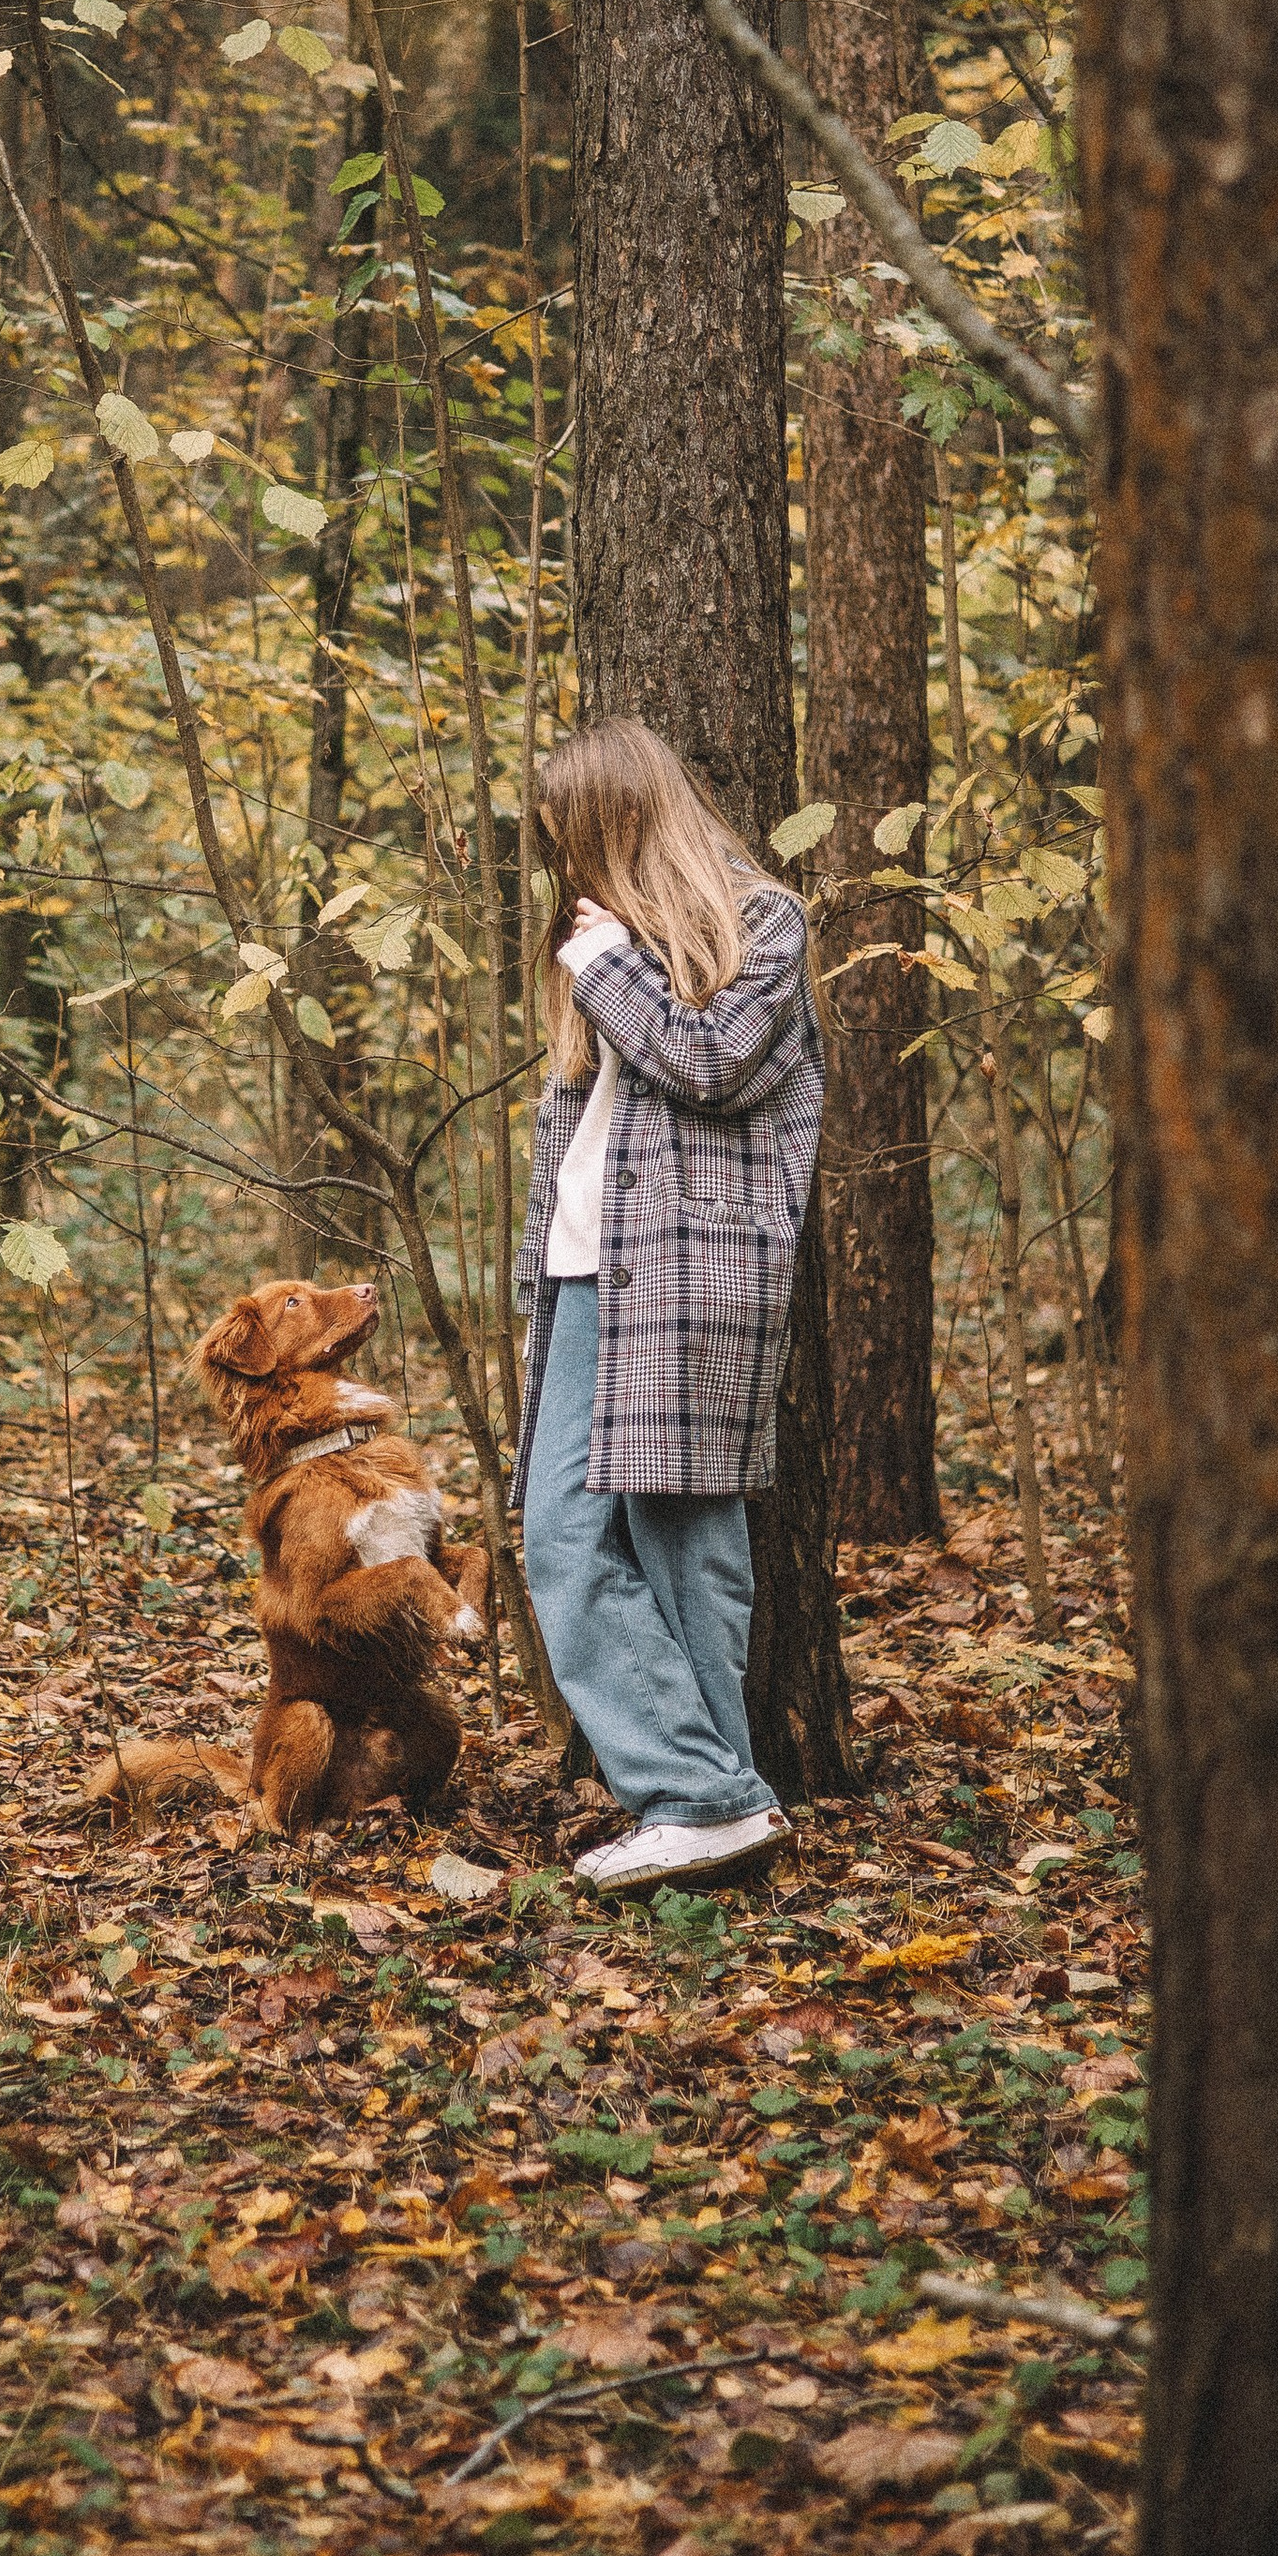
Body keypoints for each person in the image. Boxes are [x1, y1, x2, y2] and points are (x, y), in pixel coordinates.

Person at [513, 716, 824, 1893]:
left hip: (698, 1279)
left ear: (620, 825)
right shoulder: (616, 951)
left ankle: (700, 1802)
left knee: (685, 1545)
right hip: (587, 1274)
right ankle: (714, 1805)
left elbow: (711, 1065)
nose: (564, 873)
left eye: (572, 842)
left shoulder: (761, 922)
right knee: (564, 1537)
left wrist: (603, 969)